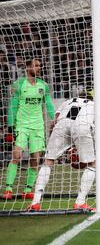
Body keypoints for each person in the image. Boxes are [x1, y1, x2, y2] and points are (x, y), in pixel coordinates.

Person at [27, 93, 95, 211]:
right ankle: (80, 202)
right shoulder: (94, 105)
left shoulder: (67, 102)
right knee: (92, 165)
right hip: (82, 126)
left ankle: (35, 202)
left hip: (61, 124)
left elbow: (55, 121)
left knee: (48, 161)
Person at [3, 59, 55, 200]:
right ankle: (8, 189)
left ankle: (27, 190)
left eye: (39, 66)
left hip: (37, 127)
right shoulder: (18, 85)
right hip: (22, 125)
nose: (38, 68)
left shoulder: (43, 86)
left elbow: (49, 104)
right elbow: (13, 105)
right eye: (36, 65)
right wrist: (10, 125)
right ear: (27, 67)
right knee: (17, 155)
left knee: (35, 159)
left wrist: (55, 118)